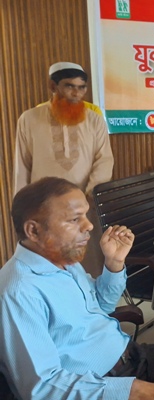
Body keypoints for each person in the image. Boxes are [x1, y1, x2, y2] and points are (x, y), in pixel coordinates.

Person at [0, 177, 154, 400]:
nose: (89, 225)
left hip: (127, 355)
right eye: (74, 219)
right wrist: (122, 391)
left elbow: (102, 305)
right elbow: (41, 387)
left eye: (86, 215)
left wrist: (114, 263)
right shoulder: (18, 292)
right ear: (33, 231)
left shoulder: (63, 261)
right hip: (96, 383)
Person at [13, 61, 114, 277]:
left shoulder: (95, 121)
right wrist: (21, 208)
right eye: (69, 86)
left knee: (88, 261)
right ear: (53, 86)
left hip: (84, 205)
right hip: (44, 208)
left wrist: (88, 196)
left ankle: (87, 297)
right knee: (46, 259)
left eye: (81, 87)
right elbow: (22, 166)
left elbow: (104, 160)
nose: (77, 93)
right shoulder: (29, 119)